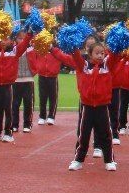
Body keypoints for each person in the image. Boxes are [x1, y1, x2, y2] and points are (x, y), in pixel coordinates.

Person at [54, 41, 118, 171]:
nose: (100, 55)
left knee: (106, 134)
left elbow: (115, 56)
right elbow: (76, 56)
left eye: (102, 53)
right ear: (89, 54)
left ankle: (109, 160)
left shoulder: (106, 66)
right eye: (97, 53)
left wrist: (117, 46)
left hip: (102, 106)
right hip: (87, 106)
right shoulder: (83, 66)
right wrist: (73, 45)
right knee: (84, 134)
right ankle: (78, 160)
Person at [0, 29, 30, 142]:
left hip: (9, 85)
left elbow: (25, 44)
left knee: (9, 109)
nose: (3, 41)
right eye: (1, 39)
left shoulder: (15, 51)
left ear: (12, 41)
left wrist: (30, 33)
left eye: (6, 39)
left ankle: (8, 132)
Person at [27, 40, 61, 126]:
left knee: (53, 97)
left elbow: (63, 58)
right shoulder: (39, 50)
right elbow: (32, 55)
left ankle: (51, 116)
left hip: (53, 77)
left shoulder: (57, 51)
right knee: (42, 97)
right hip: (42, 76)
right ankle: (42, 116)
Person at [11, 39, 35, 134]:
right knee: (15, 104)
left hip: (28, 79)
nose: (21, 40)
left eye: (23, 38)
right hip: (16, 80)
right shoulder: (13, 50)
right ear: (15, 39)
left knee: (28, 103)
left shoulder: (31, 49)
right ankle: (14, 125)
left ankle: (27, 124)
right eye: (19, 38)